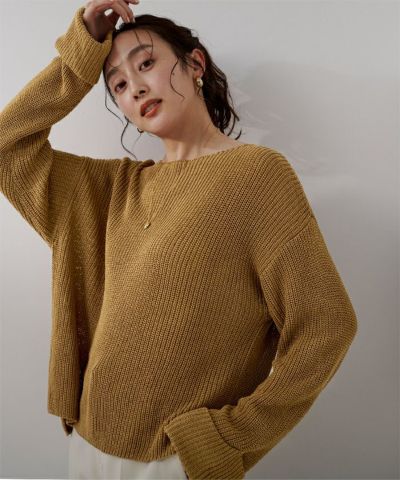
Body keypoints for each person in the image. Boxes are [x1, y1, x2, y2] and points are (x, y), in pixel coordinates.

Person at [0, 1, 358, 479]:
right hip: (88, 447)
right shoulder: (112, 191)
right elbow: (7, 146)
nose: (135, 87)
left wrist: (229, 436)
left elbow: (326, 324)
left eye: (146, 63)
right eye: (118, 85)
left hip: (175, 461)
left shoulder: (256, 175)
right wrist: (82, 51)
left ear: (195, 65)